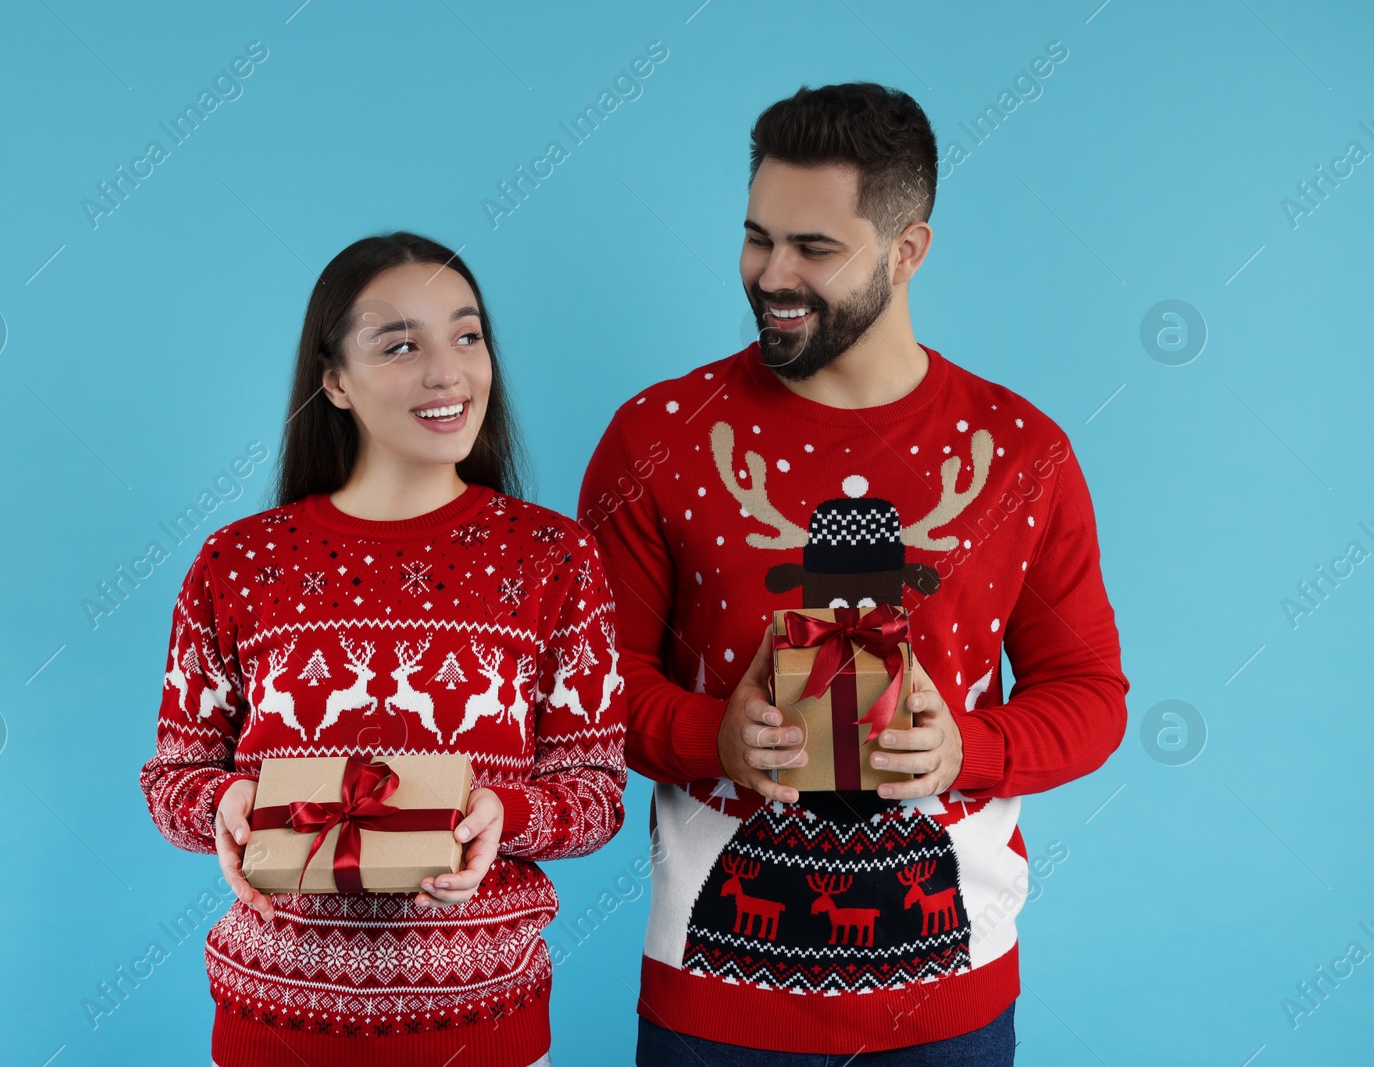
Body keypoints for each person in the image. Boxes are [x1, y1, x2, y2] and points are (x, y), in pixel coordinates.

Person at [578, 83, 1129, 1065]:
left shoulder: (1021, 453)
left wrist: (968, 746)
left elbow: (1090, 697)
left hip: (947, 1000)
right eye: (757, 237)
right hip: (713, 1002)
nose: (769, 274)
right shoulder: (653, 439)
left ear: (908, 250)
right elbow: (588, 691)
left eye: (813, 248)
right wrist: (718, 736)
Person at [140, 231, 627, 1067]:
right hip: (275, 1024)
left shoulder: (556, 560)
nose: (447, 371)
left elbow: (597, 793)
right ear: (334, 379)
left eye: (466, 335)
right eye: (400, 344)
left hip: (485, 1031)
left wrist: (501, 814)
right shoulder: (239, 563)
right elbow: (172, 776)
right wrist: (219, 804)